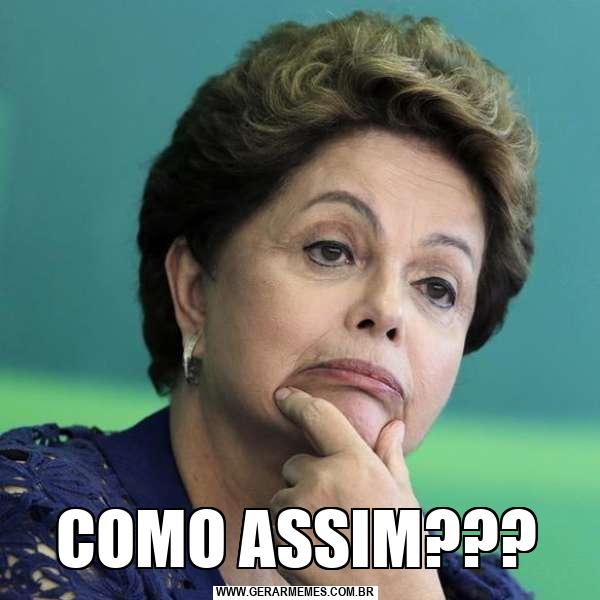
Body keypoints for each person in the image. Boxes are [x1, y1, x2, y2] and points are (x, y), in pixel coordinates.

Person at [0, 11, 536, 599]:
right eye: (330, 250)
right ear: (195, 290)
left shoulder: (461, 586)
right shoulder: (44, 527)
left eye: (437, 287)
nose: (387, 310)